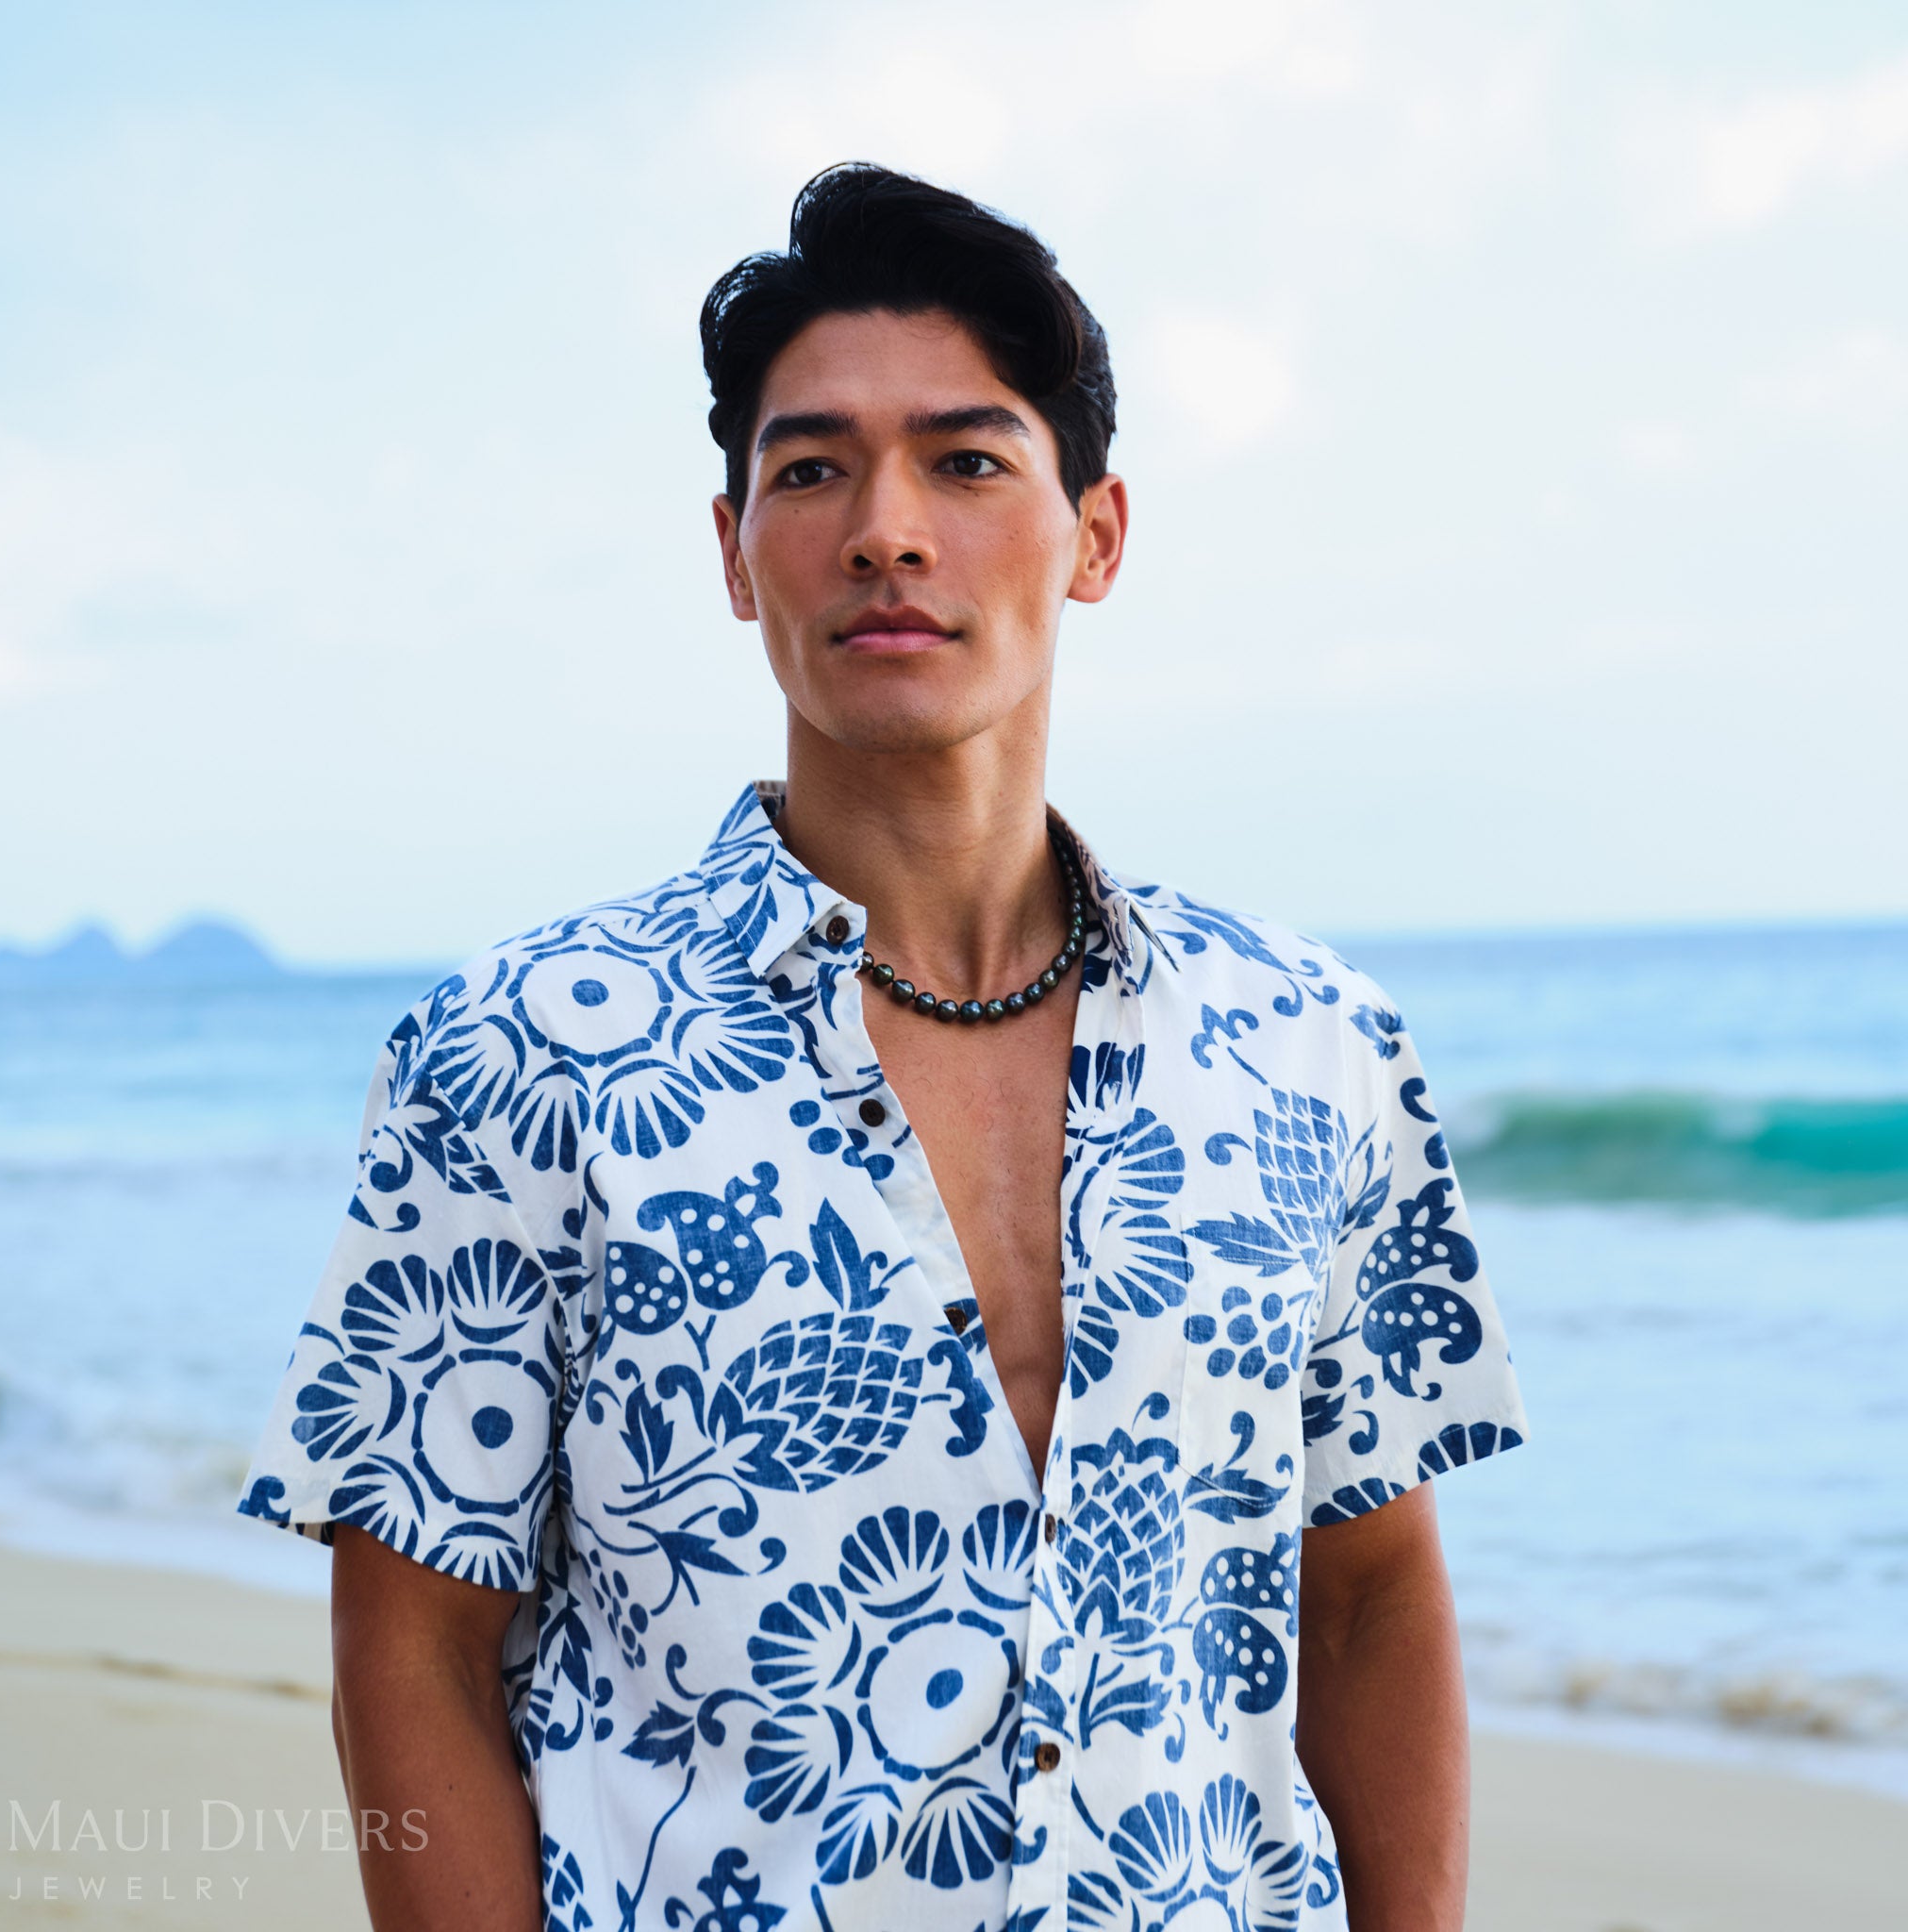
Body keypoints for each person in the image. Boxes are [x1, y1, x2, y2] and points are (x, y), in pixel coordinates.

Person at [240, 163, 1526, 1932]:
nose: (886, 530)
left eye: (969, 460)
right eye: (813, 467)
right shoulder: (522, 1050)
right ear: (732, 546)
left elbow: (1369, 1593)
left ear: (1098, 537)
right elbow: (416, 1658)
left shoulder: (1312, 1045)